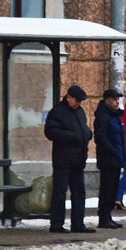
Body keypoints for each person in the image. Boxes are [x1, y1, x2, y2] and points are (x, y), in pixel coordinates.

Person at [44, 84, 94, 233]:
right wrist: (73, 137)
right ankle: (57, 224)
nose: (78, 104)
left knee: (79, 192)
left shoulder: (79, 111)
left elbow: (82, 128)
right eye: (76, 100)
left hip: (78, 159)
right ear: (68, 98)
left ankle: (78, 223)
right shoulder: (58, 112)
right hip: (63, 159)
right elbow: (50, 132)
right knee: (60, 192)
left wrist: (87, 134)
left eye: (80, 101)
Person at [94, 87, 126, 229]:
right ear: (107, 100)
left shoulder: (116, 116)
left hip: (116, 158)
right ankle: (103, 217)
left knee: (113, 189)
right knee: (107, 189)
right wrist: (114, 152)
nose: (116, 102)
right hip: (108, 158)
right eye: (114, 99)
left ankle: (108, 216)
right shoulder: (103, 116)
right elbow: (101, 138)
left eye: (118, 99)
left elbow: (121, 137)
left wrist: (124, 155)